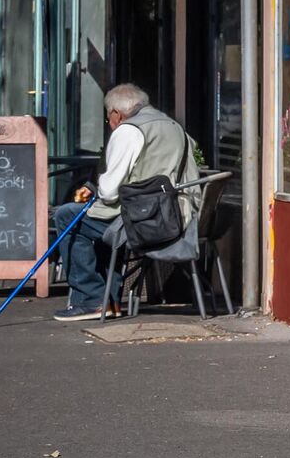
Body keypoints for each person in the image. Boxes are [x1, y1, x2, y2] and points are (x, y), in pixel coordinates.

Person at [51, 84, 200, 322]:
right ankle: (110, 300)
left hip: (145, 223)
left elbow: (109, 193)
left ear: (116, 114)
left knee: (68, 215)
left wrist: (96, 190)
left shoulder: (128, 130)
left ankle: (90, 300)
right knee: (100, 220)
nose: (109, 123)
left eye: (108, 117)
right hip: (181, 217)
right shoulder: (173, 126)